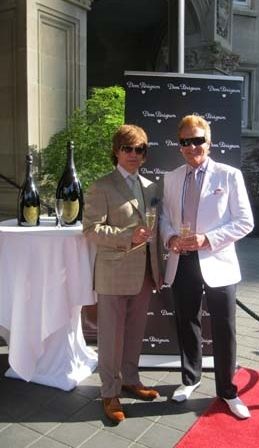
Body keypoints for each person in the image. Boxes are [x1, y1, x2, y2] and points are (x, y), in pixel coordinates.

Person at [160, 115, 254, 419]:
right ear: (179, 146)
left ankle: (227, 391)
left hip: (218, 261)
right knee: (187, 322)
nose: (192, 146)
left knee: (224, 328)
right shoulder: (171, 177)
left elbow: (245, 222)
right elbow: (164, 218)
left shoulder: (229, 176)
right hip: (182, 262)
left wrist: (207, 239)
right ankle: (190, 378)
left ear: (209, 142)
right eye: (185, 142)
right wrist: (170, 236)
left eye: (197, 140)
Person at [83, 124, 161, 423]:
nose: (133, 154)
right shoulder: (101, 186)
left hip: (144, 272)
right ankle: (109, 392)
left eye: (139, 149)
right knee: (111, 336)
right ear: (116, 150)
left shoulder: (152, 187)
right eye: (128, 148)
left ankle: (130, 379)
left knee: (135, 332)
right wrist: (128, 235)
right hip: (114, 272)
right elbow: (90, 230)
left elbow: (154, 225)